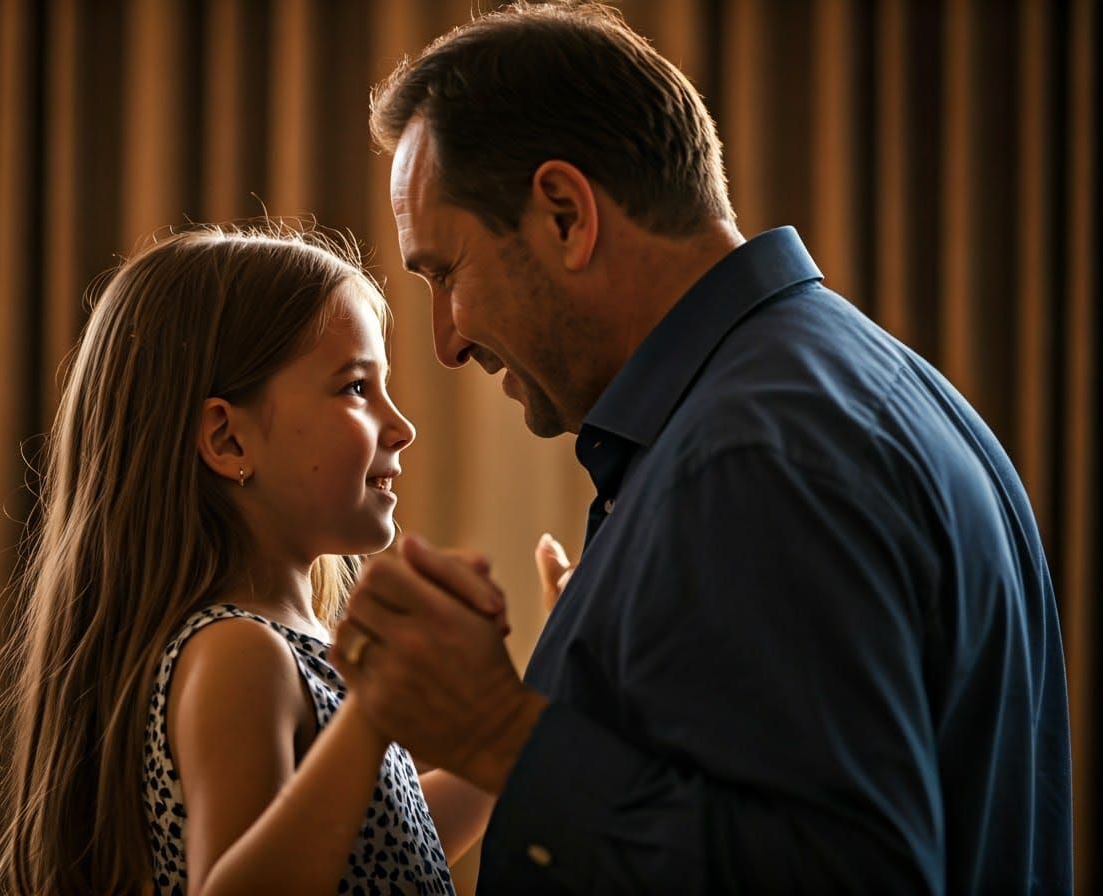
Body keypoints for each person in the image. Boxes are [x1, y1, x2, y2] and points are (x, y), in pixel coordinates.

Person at [330, 2, 1073, 893]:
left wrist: (496, 730)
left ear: (565, 215)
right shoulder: (846, 388)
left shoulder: (756, 457)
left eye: (445, 274)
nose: (447, 342)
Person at [0, 223, 499, 895]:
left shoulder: (278, 646)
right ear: (227, 439)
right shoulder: (240, 654)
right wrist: (372, 714)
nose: (402, 426)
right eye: (356, 388)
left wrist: (513, 732)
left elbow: (380, 837)